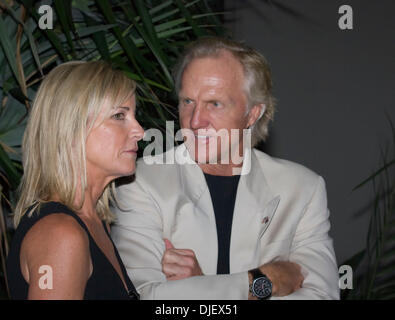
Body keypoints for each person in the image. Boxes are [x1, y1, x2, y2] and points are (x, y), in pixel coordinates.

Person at [111, 37, 339, 300]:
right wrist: (258, 283)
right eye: (187, 102)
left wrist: (202, 286)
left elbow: (322, 296)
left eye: (215, 104)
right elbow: (144, 296)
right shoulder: (140, 181)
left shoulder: (302, 189)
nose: (195, 121)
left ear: (252, 114)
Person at [6, 61, 144, 300]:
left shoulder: (94, 222)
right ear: (71, 129)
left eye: (133, 116)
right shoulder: (61, 234)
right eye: (119, 115)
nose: (140, 131)